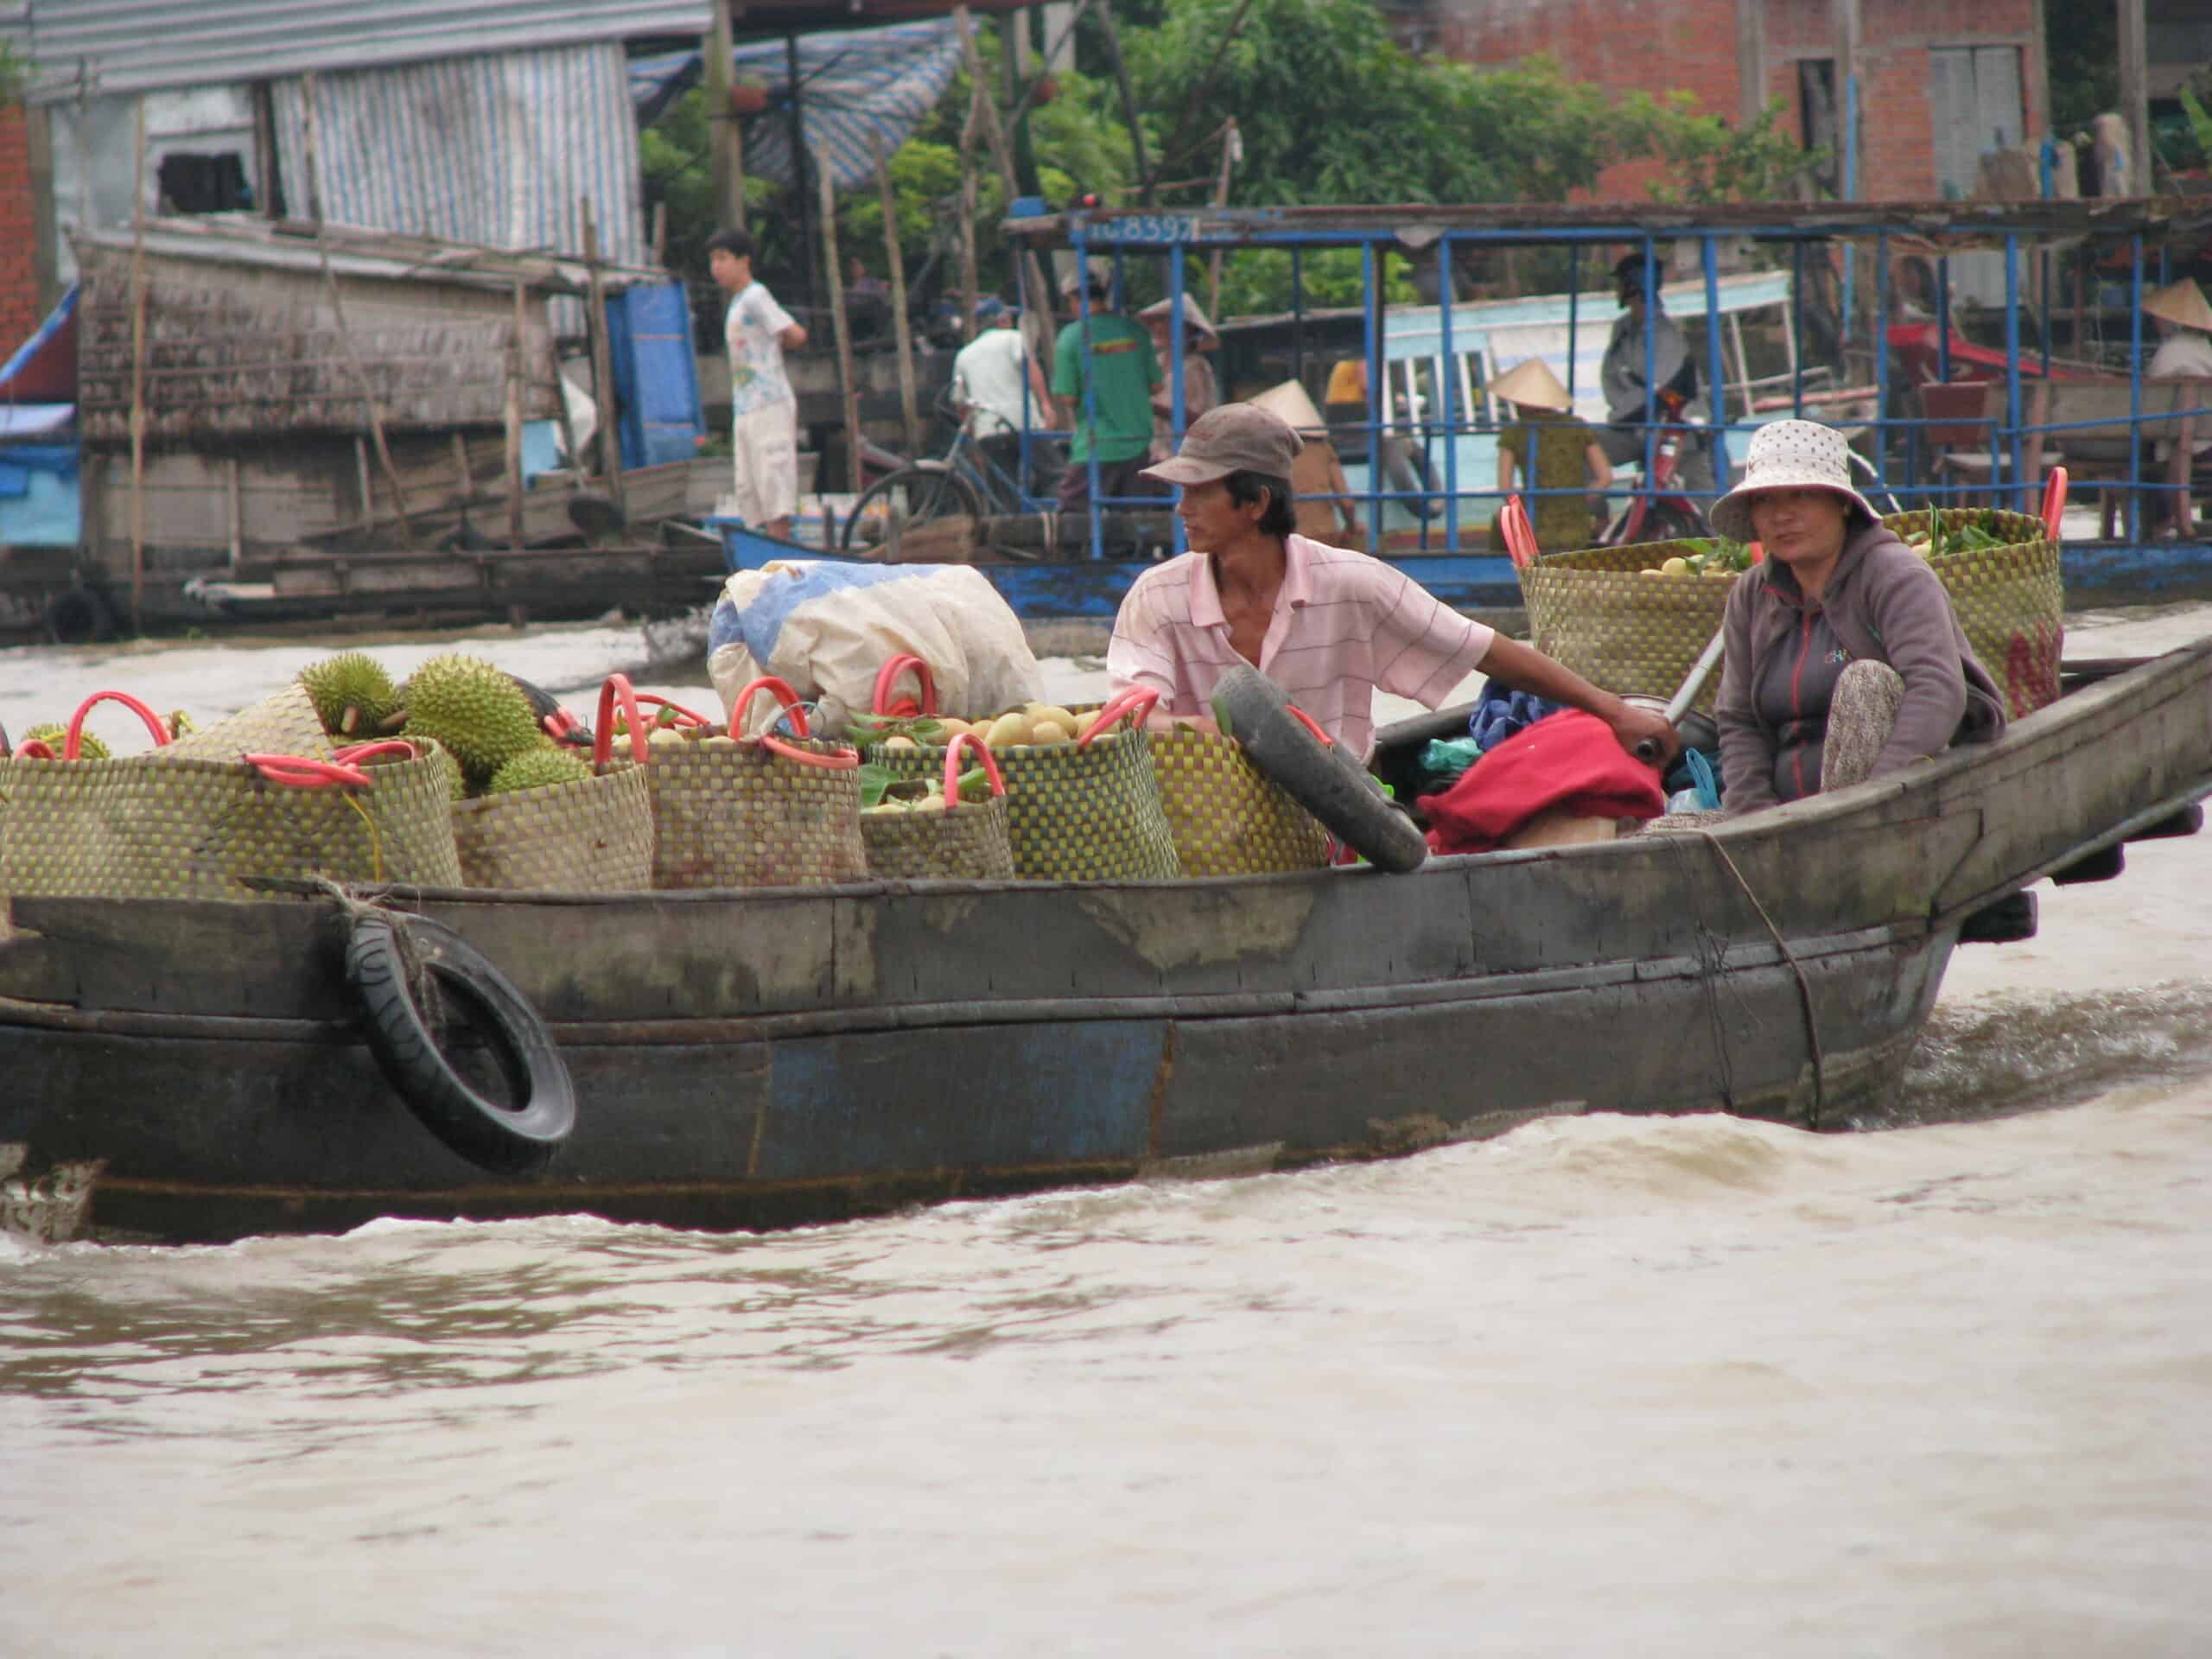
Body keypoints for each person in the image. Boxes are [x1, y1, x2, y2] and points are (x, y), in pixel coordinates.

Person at [1107, 404, 1680, 766]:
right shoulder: (1156, 596)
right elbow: (1133, 714)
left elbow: (1484, 649)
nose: (1181, 508)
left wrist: (1615, 712)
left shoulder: (1353, 583)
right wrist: (1224, 739)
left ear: (1255, 503)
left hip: (1333, 815)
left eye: (1198, 492)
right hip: (1203, 816)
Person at [1711, 419, 2005, 813]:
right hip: (1781, 817)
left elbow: (1936, 688)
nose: (1782, 515)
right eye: (1766, 500)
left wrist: (1874, 802)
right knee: (1662, 838)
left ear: (1843, 503)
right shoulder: (1751, 596)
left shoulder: (1894, 575)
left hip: (1890, 807)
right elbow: (1738, 719)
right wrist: (1752, 820)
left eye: (1801, 495)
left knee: (1866, 682)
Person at [708, 227, 808, 539]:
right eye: (713, 260)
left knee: (773, 481)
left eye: (723, 258)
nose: (716, 267)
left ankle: (779, 551)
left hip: (769, 402)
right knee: (751, 487)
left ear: (744, 261)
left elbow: (796, 334)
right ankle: (767, 557)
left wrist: (776, 348)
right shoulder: (737, 304)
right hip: (746, 405)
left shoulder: (755, 297)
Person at [1598, 254, 1715, 498]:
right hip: (1633, 428)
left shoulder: (1665, 335)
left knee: (1703, 501)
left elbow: (1658, 392)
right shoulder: (1622, 330)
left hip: (1675, 428)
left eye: (1621, 283)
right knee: (1579, 449)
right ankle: (1596, 521)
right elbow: (1612, 380)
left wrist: (1621, 415)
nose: (1617, 290)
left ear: (1633, 286)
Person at [1052, 268, 1165, 513]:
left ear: (1074, 299)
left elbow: (1068, 397)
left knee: (1071, 517)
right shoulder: (1135, 331)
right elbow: (1157, 385)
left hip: (1095, 444)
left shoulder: (1071, 338)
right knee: (1137, 525)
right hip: (1138, 440)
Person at [1484, 357, 1611, 555]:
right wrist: (1577, 501)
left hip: (1532, 529)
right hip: (1577, 528)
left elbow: (1505, 488)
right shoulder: (1577, 427)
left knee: (1500, 519)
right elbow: (1605, 478)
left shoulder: (1514, 433)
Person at [951, 296, 1054, 492]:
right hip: (1023, 423)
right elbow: (1030, 368)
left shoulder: (964, 355)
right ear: (1003, 320)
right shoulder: (1013, 338)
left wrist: (974, 436)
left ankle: (1013, 521)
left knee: (1004, 490)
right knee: (1054, 474)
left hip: (988, 430)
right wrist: (1046, 405)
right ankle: (1059, 519)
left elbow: (961, 405)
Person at [1322, 355, 1436, 520]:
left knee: (1389, 438)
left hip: (1340, 419)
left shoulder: (1347, 360)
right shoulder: (1364, 355)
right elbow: (1368, 387)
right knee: (1389, 440)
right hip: (1350, 417)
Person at [2143, 278, 2212, 535]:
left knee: (2142, 460)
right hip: (2207, 439)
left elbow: (2152, 404)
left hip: (2190, 444)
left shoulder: (2170, 352)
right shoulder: (2205, 349)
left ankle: (2156, 526)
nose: (2156, 322)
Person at [1136, 294, 1220, 461]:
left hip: (1186, 455)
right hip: (1156, 453)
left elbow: (1196, 419)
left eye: (1167, 322)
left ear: (1188, 329)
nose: (1159, 327)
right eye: (1158, 321)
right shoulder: (1157, 363)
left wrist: (1150, 406)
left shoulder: (1195, 367)